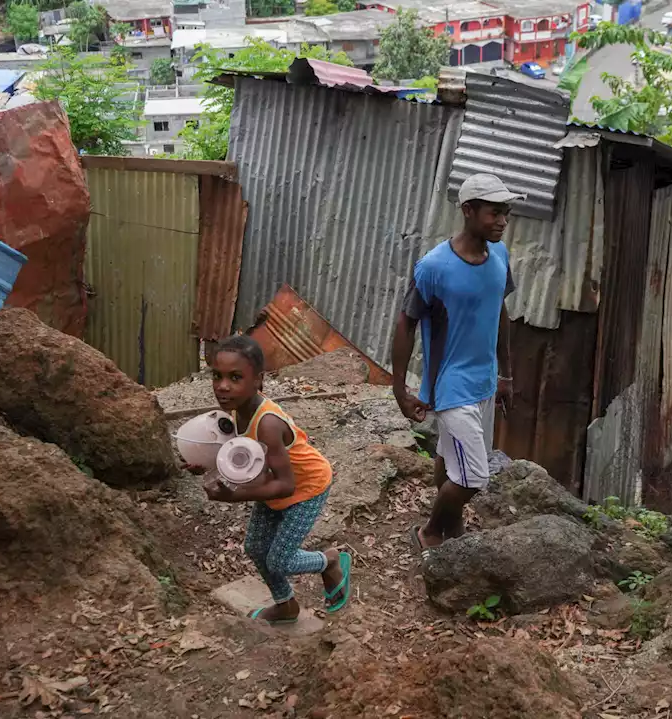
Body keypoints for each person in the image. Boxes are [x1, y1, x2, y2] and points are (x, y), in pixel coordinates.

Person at [391, 173, 520, 553]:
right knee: (473, 477)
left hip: (483, 381)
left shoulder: (499, 255)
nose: (502, 222)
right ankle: (430, 533)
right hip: (451, 386)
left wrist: (506, 374)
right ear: (468, 210)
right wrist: (400, 389)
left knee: (450, 459)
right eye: (494, 213)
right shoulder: (434, 267)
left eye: (506, 213)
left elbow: (500, 311)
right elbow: (406, 322)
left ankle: (454, 527)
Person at [184, 335, 351, 624]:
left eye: (235, 377)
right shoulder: (237, 410)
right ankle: (286, 605)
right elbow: (242, 456)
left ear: (258, 381)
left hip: (307, 487)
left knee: (280, 560)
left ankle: (331, 561)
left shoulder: (268, 423)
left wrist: (233, 496)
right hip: (270, 484)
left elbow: (287, 486)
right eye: (217, 376)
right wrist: (207, 466)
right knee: (256, 548)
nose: (223, 386)